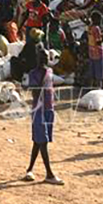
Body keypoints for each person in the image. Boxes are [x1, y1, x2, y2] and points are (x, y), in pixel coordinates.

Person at [22, 47, 64, 185]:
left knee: (38, 141)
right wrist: (42, 81)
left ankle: (29, 170)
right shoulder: (33, 74)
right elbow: (34, 93)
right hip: (38, 110)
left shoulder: (50, 71)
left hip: (48, 109)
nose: (44, 60)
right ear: (37, 59)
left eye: (46, 58)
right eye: (42, 58)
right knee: (43, 141)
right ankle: (49, 174)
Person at [87, 11, 103, 88]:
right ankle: (98, 87)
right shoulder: (97, 28)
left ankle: (91, 86)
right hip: (98, 53)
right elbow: (98, 42)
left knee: (92, 70)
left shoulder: (89, 27)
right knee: (99, 71)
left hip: (91, 52)